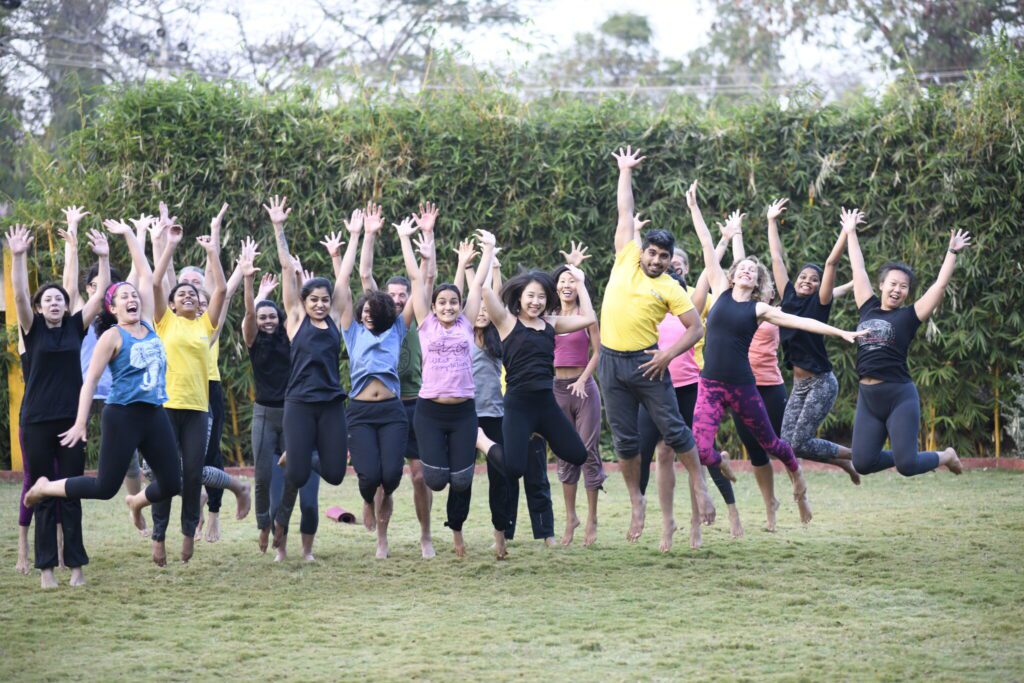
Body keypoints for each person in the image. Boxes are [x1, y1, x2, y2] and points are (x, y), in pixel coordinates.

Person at [685, 182, 867, 526]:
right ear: (733, 273)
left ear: (757, 283)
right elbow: (707, 243)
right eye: (742, 267)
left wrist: (840, 331)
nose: (746, 270)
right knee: (701, 448)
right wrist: (694, 206)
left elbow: (803, 321)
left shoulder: (759, 309)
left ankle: (798, 477)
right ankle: (721, 460)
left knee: (773, 443)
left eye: (752, 271)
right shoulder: (720, 289)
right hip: (709, 384)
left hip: (742, 386)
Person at [23, 219, 182, 570]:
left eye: (132, 295)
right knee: (105, 487)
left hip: (154, 413)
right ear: (112, 308)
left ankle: (137, 502)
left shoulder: (152, 324)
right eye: (122, 297)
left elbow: (147, 274)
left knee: (172, 481)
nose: (130, 299)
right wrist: (81, 422)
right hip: (122, 415)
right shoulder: (112, 337)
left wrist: (128, 236)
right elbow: (90, 382)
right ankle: (46, 487)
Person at [598, 146, 713, 552]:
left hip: (648, 364)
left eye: (665, 256)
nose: (658, 260)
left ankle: (700, 487)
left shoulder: (670, 287)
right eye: (654, 253)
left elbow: (696, 328)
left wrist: (667, 355)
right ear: (642, 250)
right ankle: (636, 500)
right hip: (611, 364)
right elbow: (624, 213)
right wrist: (625, 171)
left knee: (675, 430)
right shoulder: (626, 258)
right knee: (626, 443)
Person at [148, 208, 250, 565]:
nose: (188, 295)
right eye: (182, 294)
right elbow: (156, 282)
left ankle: (188, 532)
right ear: (173, 304)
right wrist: (169, 245)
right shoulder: (164, 323)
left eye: (193, 293)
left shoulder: (206, 326)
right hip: (165, 407)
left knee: (192, 474)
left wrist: (212, 252)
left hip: (197, 408)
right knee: (166, 475)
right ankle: (158, 536)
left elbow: (221, 288)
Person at [10, 219, 107, 589]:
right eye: (48, 299)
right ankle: (47, 569)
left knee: (71, 493)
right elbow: (20, 296)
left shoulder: (74, 327)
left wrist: (102, 258)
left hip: (72, 423)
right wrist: (18, 256)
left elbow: (98, 298)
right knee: (43, 492)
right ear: (39, 307)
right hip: (36, 421)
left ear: (67, 307)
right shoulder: (31, 329)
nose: (55, 302)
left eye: (60, 299)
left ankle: (77, 567)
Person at [637, 216, 743, 548]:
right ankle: (668, 524)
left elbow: (709, 270)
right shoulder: (646, 301)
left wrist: (724, 240)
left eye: (679, 264)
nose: (673, 269)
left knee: (695, 454)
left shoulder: (692, 303)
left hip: (690, 387)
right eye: (670, 264)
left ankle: (698, 524)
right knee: (662, 454)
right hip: (655, 385)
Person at [842, 208, 968, 476]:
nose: (897, 290)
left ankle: (945, 455)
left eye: (904, 286)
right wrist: (850, 231)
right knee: (862, 464)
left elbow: (939, 287)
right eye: (893, 284)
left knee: (907, 466)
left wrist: (952, 252)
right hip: (868, 396)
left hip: (899, 394)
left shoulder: (910, 316)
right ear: (882, 285)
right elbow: (858, 268)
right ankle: (904, 454)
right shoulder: (867, 306)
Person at [400, 219, 493, 557]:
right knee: (436, 480)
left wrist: (489, 250)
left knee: (463, 480)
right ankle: (443, 526)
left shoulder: (467, 323)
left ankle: (457, 531)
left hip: (464, 411)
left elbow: (479, 283)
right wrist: (405, 238)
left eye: (454, 302)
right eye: (443, 303)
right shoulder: (425, 325)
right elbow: (415, 280)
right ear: (434, 306)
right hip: (430, 411)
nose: (449, 307)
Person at [359, 201, 439, 559]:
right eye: (390, 296)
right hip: (383, 406)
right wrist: (370, 235)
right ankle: (382, 539)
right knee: (382, 478)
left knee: (420, 476)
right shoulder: (378, 323)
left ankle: (425, 535)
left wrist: (423, 237)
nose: (396, 300)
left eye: (401, 296)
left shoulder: (410, 319)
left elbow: (425, 278)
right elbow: (364, 277)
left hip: (416, 403)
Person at [765, 198, 862, 484]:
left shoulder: (820, 303)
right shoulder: (787, 298)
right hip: (799, 385)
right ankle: (845, 463)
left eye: (814, 278)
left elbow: (831, 262)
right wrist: (771, 221)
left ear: (821, 286)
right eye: (803, 276)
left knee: (799, 442)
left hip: (821, 381)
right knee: (788, 442)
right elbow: (776, 259)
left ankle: (853, 456)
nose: (808, 280)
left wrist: (846, 231)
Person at [265, 195, 350, 517]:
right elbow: (287, 267)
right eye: (313, 299)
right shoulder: (295, 320)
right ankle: (296, 454)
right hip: (299, 402)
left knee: (336, 474)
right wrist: (278, 227)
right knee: (297, 476)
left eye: (324, 299)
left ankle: (300, 452)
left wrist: (342, 249)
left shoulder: (334, 321)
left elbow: (344, 280)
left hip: (330, 403)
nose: (319, 304)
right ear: (304, 301)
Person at [551, 243, 606, 547]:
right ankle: (570, 517)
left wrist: (584, 380)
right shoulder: (549, 315)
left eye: (571, 282)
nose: (567, 286)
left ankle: (592, 518)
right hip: (557, 389)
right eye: (562, 281)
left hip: (583, 388)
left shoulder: (586, 316)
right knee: (565, 454)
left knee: (588, 452)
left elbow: (597, 352)